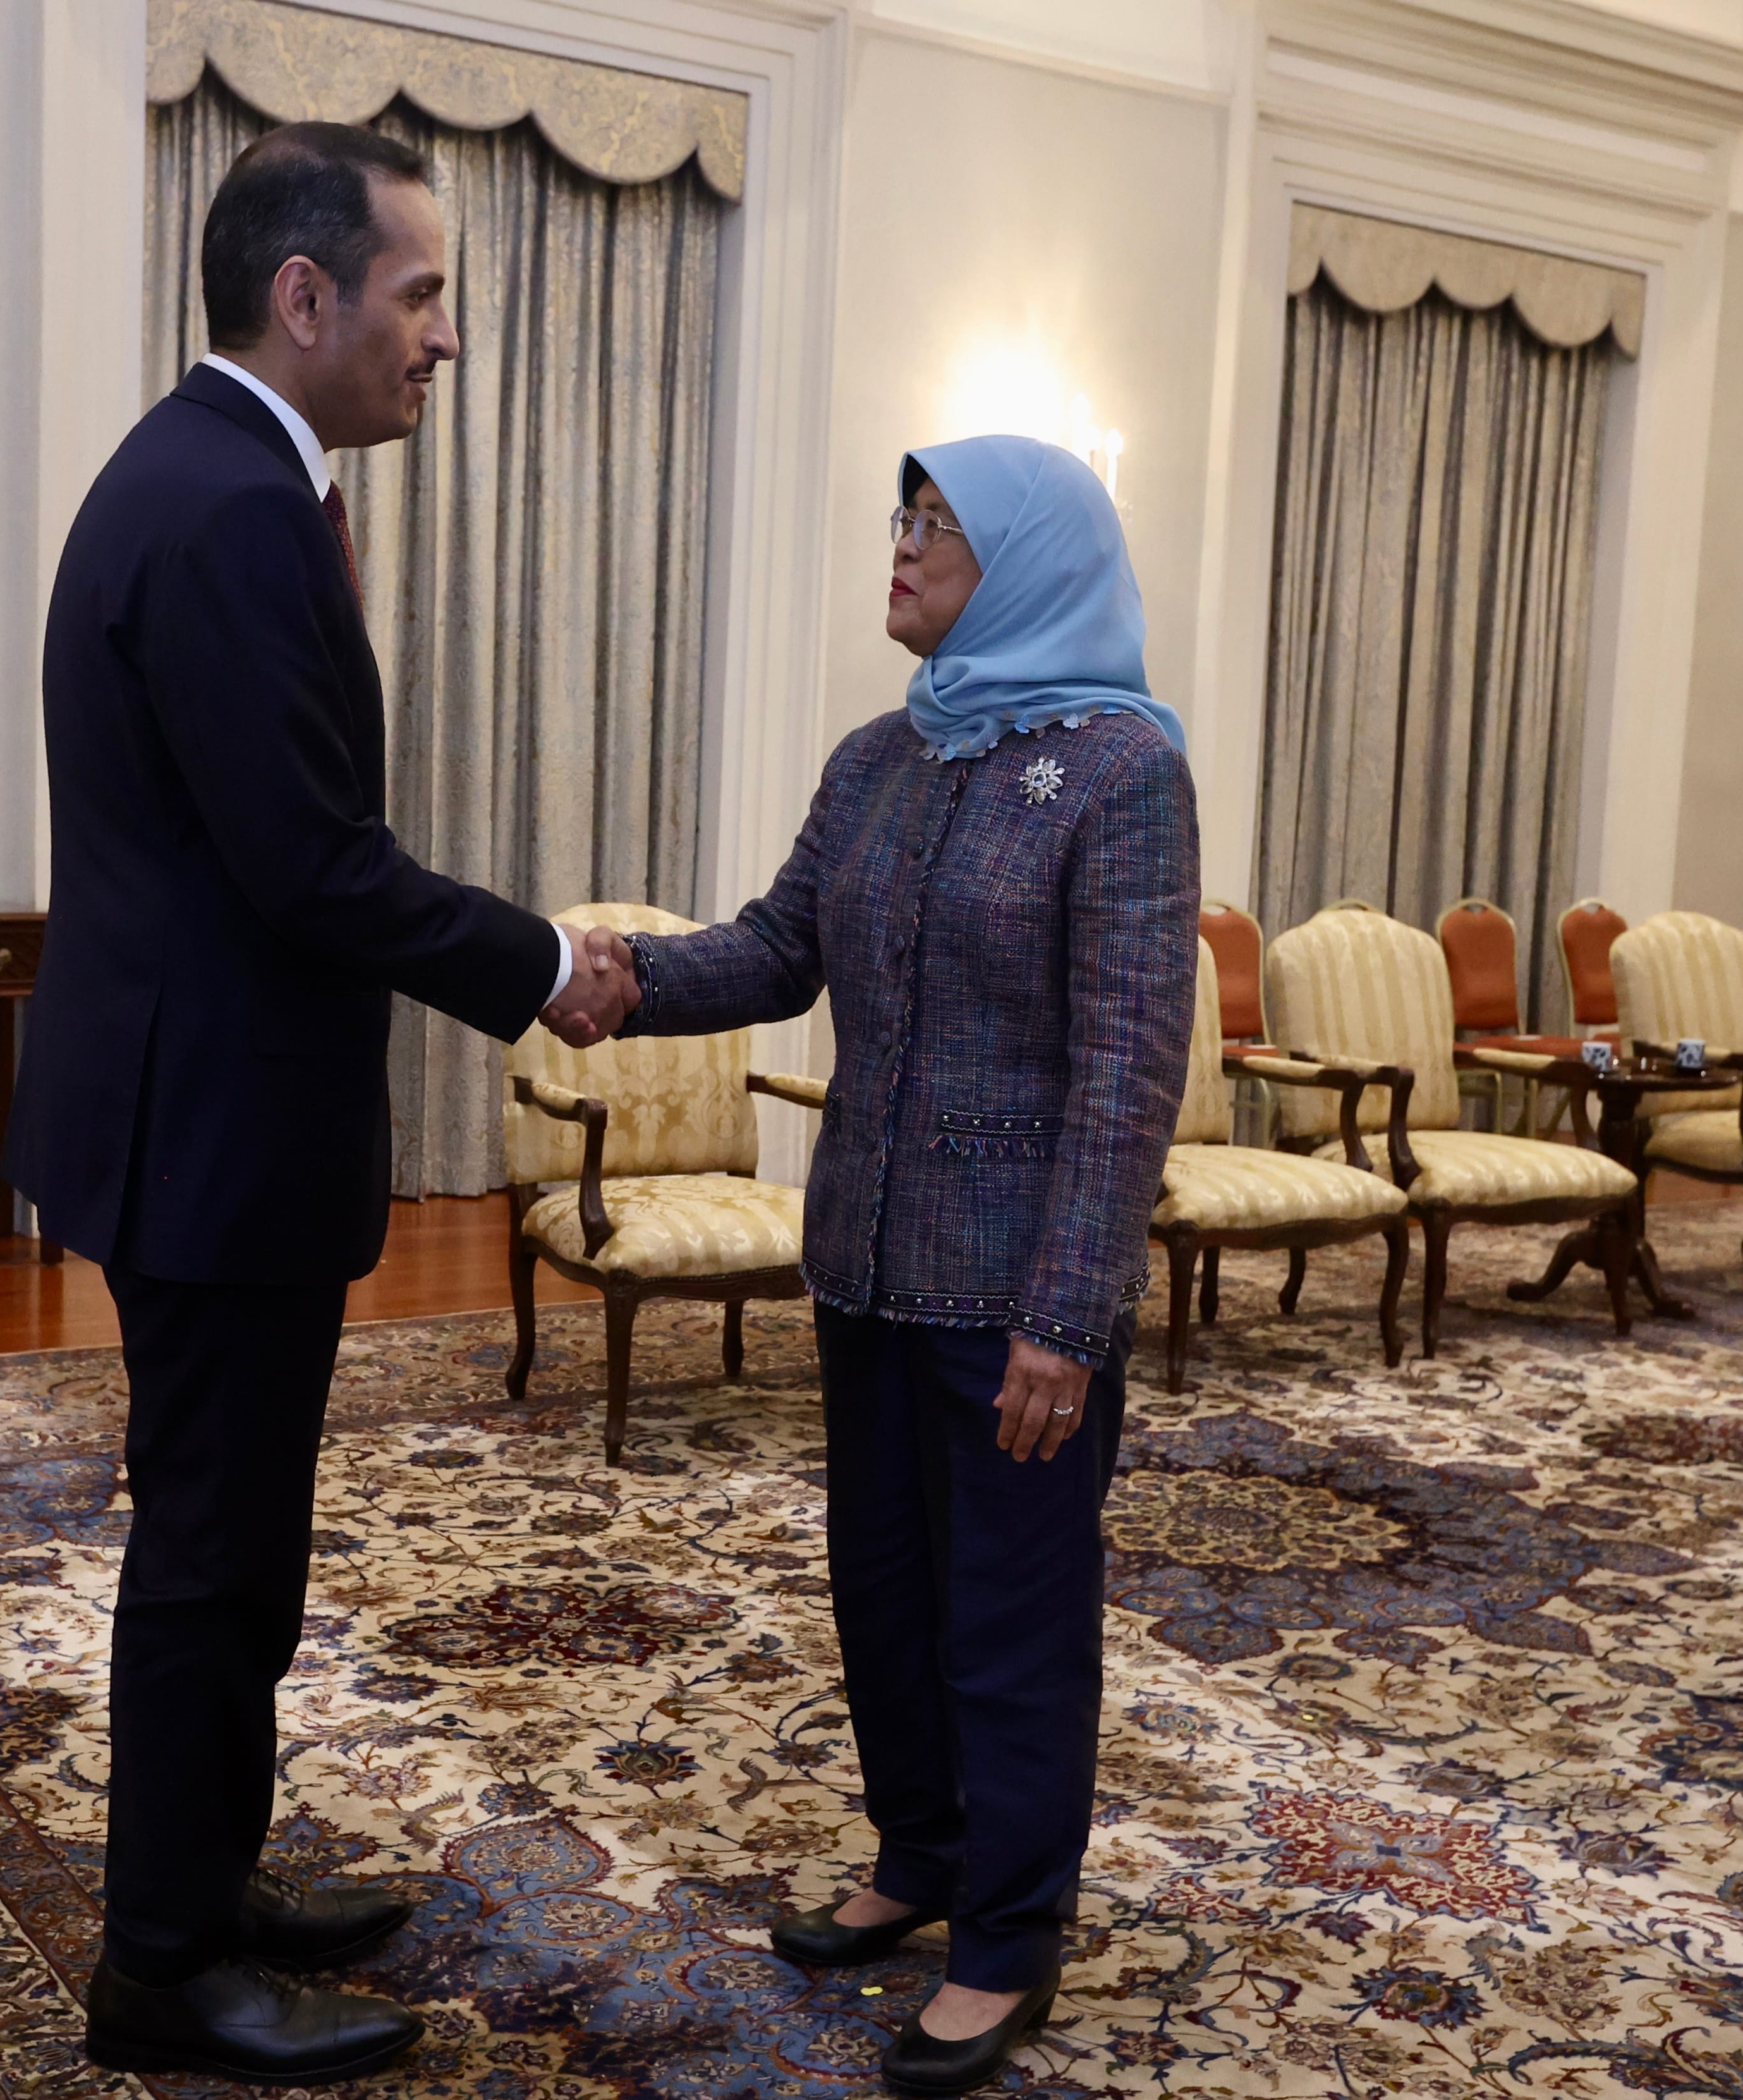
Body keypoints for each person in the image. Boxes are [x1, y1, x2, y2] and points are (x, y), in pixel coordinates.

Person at [5, 122, 635, 2084]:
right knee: (211, 1554)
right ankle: (163, 1970)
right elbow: (307, 864)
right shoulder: (232, 509)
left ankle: (209, 1876)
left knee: (237, 1539)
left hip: (195, 1111)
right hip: (213, 1134)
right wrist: (544, 963)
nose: (443, 339)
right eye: (422, 293)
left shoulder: (201, 475)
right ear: (308, 298)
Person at [599, 436, 1198, 2096]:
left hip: (1018, 1300)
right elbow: (779, 945)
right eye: (902, 519)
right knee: (885, 1588)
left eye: (937, 526)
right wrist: (615, 975)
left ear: (1029, 555)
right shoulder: (879, 756)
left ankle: (1008, 1930)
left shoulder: (1123, 767)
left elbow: (1129, 1066)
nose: (903, 548)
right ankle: (921, 1852)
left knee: (1010, 1613)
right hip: (865, 1266)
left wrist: (1069, 1318)